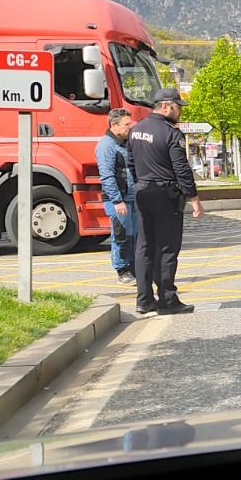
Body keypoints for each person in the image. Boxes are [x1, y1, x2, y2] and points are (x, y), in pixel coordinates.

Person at [128, 89, 203, 316]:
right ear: (166, 106)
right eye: (178, 107)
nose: (180, 112)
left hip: (142, 191)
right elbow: (181, 167)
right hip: (165, 194)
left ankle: (144, 299)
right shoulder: (171, 133)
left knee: (144, 246)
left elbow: (130, 162)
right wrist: (193, 196)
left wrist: (140, 182)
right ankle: (167, 299)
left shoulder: (136, 129)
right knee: (167, 247)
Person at [95, 108, 137, 285]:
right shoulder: (106, 145)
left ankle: (133, 268)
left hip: (131, 198)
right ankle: (122, 270)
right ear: (114, 125)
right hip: (120, 200)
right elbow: (107, 175)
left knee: (133, 234)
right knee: (122, 235)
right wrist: (117, 200)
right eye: (127, 124)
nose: (131, 127)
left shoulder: (124, 143)